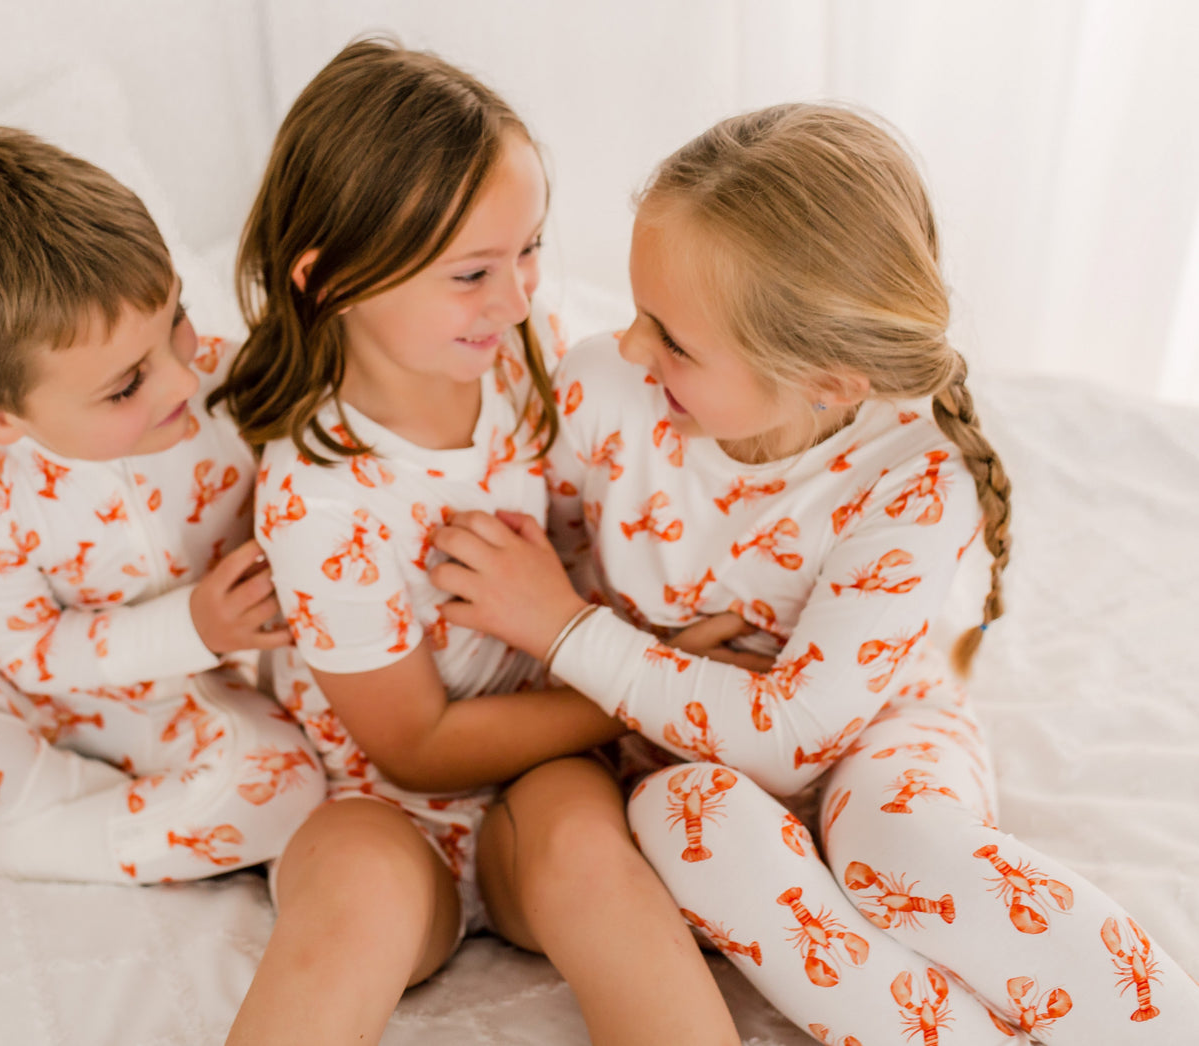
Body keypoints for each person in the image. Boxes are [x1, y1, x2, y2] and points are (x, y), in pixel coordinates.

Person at [431, 103, 1199, 1043]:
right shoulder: (606, 390)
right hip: (675, 756)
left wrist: (567, 631)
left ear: (828, 381)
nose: (632, 346)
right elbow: (507, 530)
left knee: (897, 845)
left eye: (670, 336)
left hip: (879, 729)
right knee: (688, 814)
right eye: (636, 311)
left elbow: (797, 731)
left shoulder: (915, 481)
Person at [213, 38, 739, 1046]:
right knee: (352, 892)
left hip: (542, 778)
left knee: (588, 850)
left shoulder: (521, 358)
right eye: (471, 273)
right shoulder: (319, 495)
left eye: (528, 249)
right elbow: (411, 747)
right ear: (332, 281)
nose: (517, 296)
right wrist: (647, 677)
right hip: (384, 799)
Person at [0, 127, 325, 885]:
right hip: (51, 706)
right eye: (124, 386)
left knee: (288, 794)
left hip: (203, 700)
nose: (182, 382)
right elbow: (27, 653)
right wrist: (192, 624)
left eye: (175, 318)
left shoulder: (230, 378)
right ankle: (81, 815)